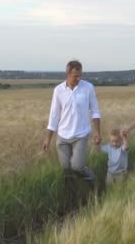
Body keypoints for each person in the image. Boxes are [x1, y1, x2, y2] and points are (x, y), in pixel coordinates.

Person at [42, 60, 102, 189]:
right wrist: (48, 138)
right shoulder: (58, 90)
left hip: (80, 134)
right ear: (68, 74)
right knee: (66, 170)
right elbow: (54, 115)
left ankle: (94, 182)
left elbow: (95, 111)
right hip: (63, 136)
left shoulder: (88, 87)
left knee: (77, 166)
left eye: (80, 75)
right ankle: (73, 194)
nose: (79, 78)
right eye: (76, 76)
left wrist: (97, 132)